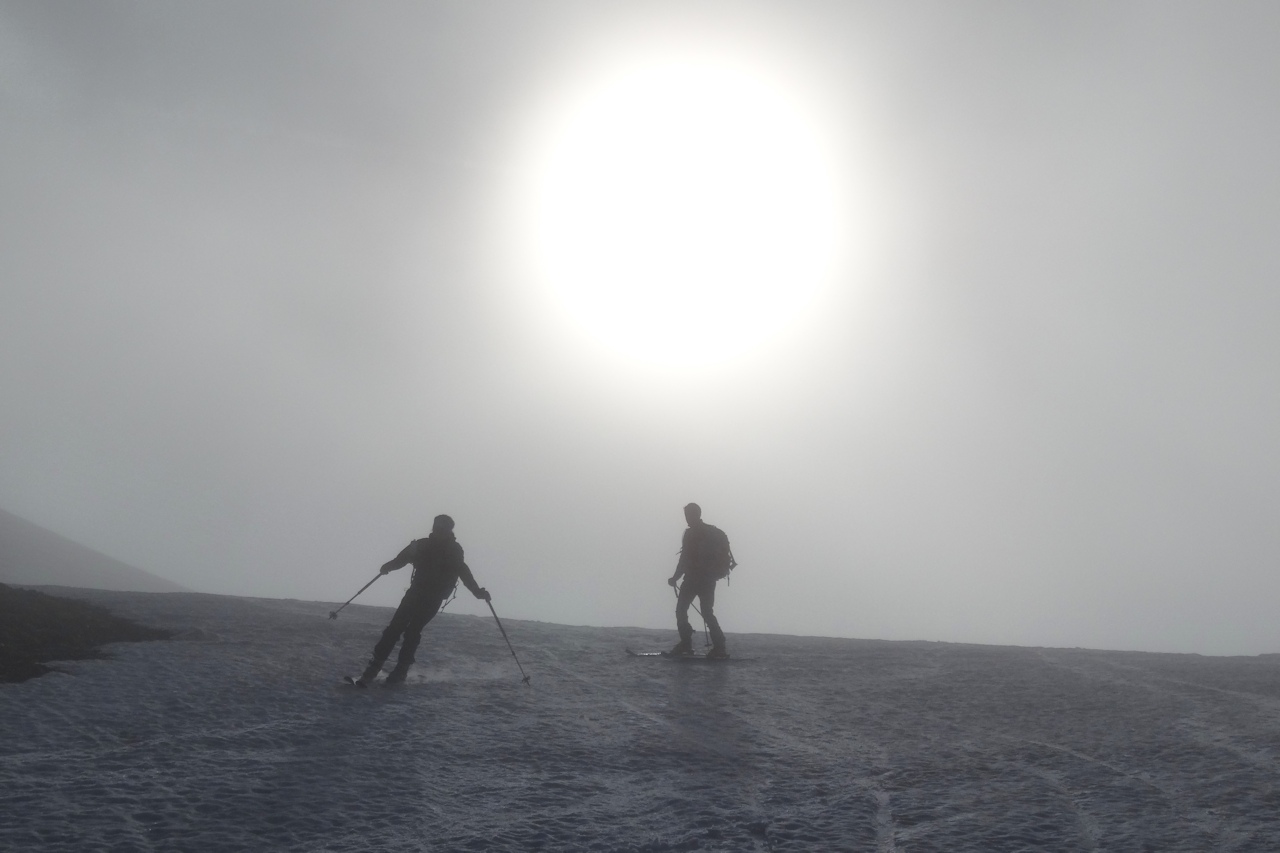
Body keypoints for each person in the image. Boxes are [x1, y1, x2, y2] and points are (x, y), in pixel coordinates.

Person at [355, 514, 489, 686]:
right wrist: (388, 566)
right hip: (417, 593)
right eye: (438, 527)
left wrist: (477, 591)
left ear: (448, 530)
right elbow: (401, 560)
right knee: (396, 629)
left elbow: (463, 571)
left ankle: (397, 670)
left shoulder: (445, 549)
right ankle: (377, 668)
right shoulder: (427, 545)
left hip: (431, 596)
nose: (438, 530)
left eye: (442, 528)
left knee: (410, 630)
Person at [668, 502, 730, 659]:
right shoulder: (709, 533)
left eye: (688, 515)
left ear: (695, 514)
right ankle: (719, 646)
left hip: (693, 579)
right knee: (706, 612)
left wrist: (675, 577)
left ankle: (686, 643)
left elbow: (684, 558)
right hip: (708, 579)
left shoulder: (692, 534)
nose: (687, 519)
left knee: (682, 610)